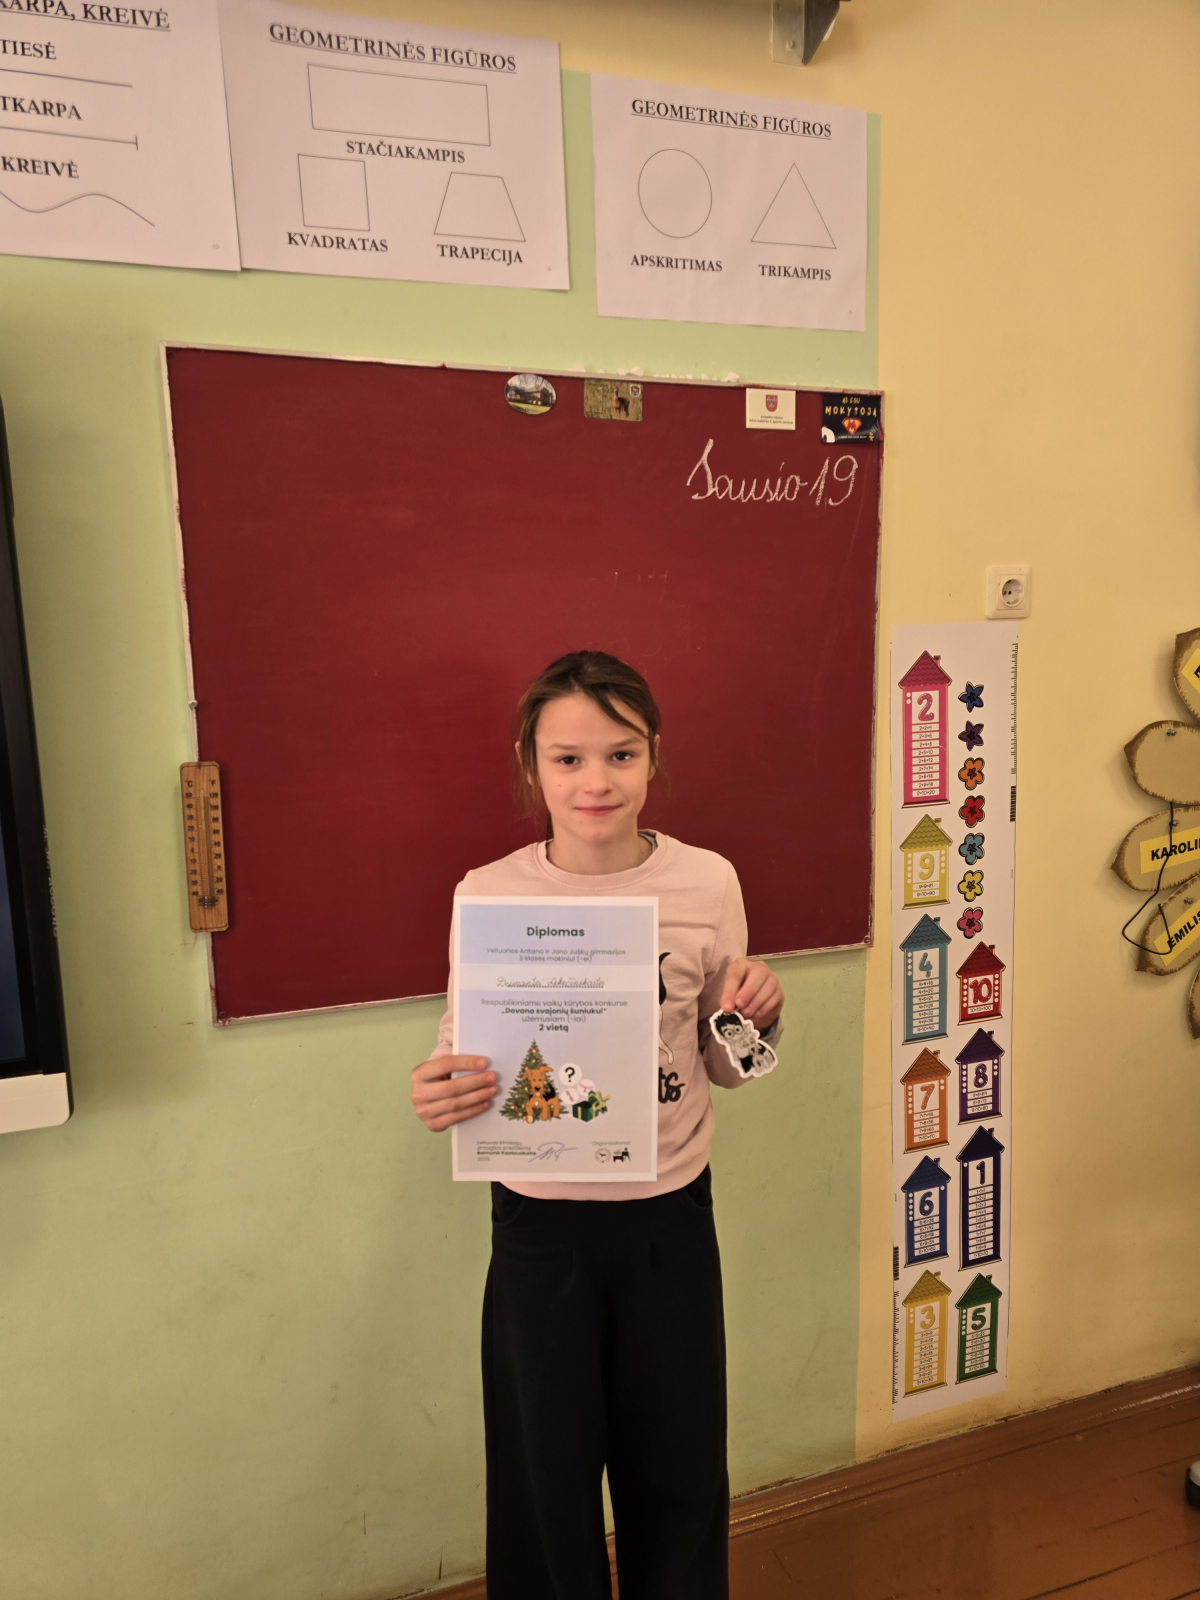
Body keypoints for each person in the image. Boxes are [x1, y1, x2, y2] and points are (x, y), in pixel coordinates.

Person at [410, 651, 784, 1600]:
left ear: (654, 756)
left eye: (621, 754)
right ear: (531, 765)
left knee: (681, 1472)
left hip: (669, 1215)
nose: (596, 782)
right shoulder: (487, 893)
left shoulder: (707, 882)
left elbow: (727, 1064)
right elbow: (462, 1050)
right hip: (539, 1226)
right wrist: (440, 1091)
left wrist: (758, 1021)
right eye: (568, 758)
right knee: (545, 1482)